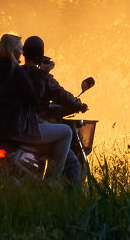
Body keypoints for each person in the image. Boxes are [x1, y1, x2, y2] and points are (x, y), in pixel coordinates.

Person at [0, 33, 78, 183]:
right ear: (13, 50)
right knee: (66, 132)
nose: (22, 52)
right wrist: (42, 74)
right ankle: (52, 181)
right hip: (18, 128)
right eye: (20, 49)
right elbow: (35, 99)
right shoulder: (16, 71)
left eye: (24, 50)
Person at [20, 35, 87, 182]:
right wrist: (79, 104)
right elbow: (62, 95)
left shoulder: (16, 74)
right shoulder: (43, 77)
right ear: (40, 58)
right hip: (35, 128)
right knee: (73, 161)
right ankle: (52, 182)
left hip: (15, 127)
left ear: (24, 54)